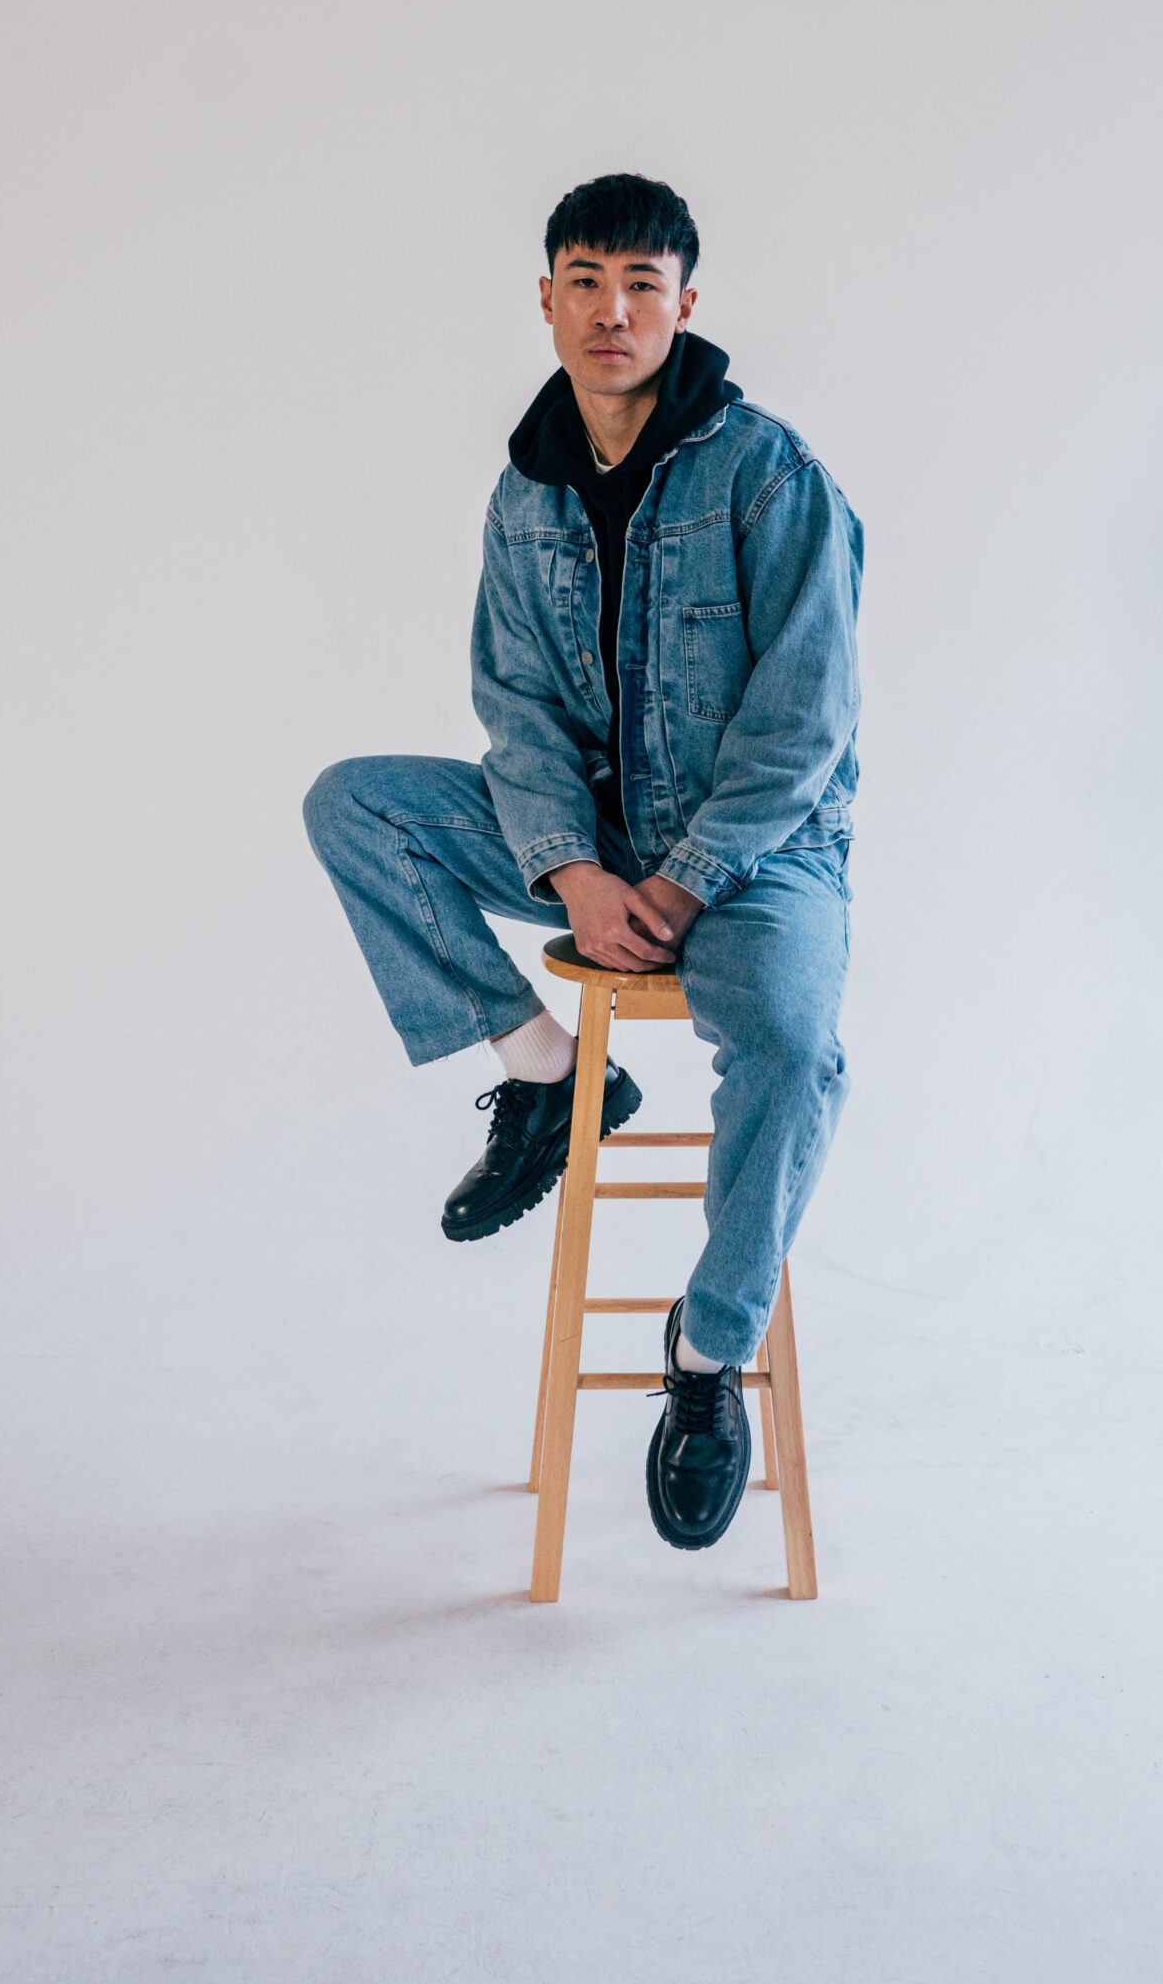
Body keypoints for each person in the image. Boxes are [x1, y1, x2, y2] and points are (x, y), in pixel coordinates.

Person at [304, 173, 862, 1554]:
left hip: (759, 853)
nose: (611, 311)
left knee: (793, 1046)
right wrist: (568, 872)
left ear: (685, 305)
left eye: (641, 285)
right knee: (357, 804)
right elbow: (519, 707)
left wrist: (675, 884)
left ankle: (707, 1357)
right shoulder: (527, 487)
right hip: (598, 841)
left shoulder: (771, 472)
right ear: (547, 296)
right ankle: (558, 1079)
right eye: (585, 280)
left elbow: (803, 723)